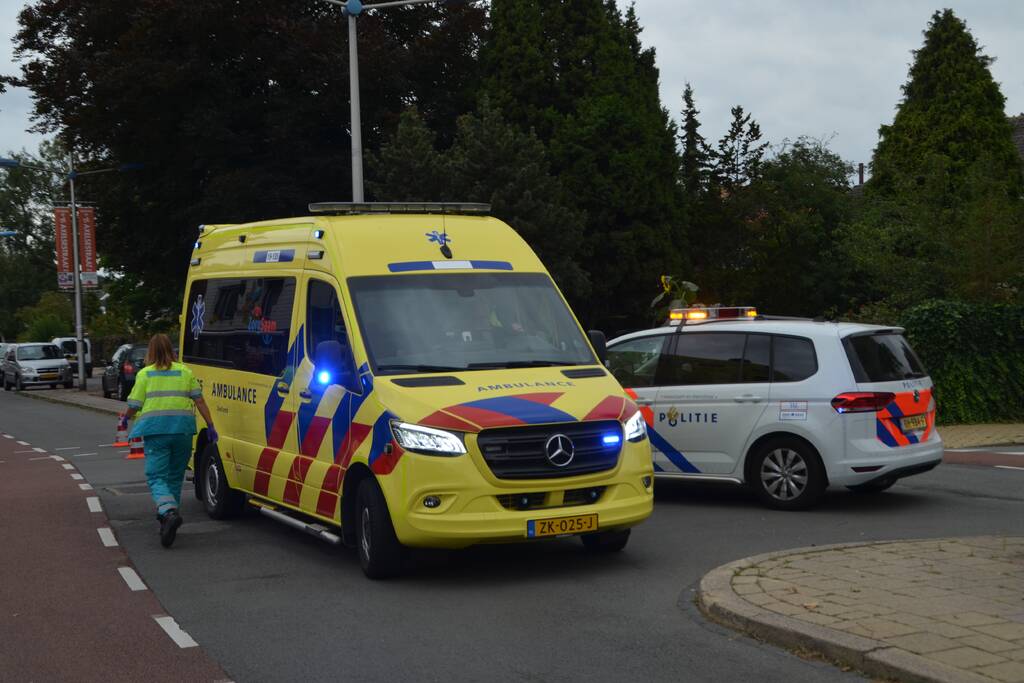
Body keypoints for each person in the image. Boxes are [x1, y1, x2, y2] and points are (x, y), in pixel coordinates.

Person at [120, 334, 217, 547]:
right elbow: (199, 400)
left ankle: (167, 512)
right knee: (175, 476)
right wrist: (210, 425)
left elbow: (135, 404)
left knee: (156, 476)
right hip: (182, 431)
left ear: (151, 351)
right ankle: (168, 519)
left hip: (157, 432)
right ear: (172, 350)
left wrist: (125, 418)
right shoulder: (185, 371)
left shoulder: (145, 374)